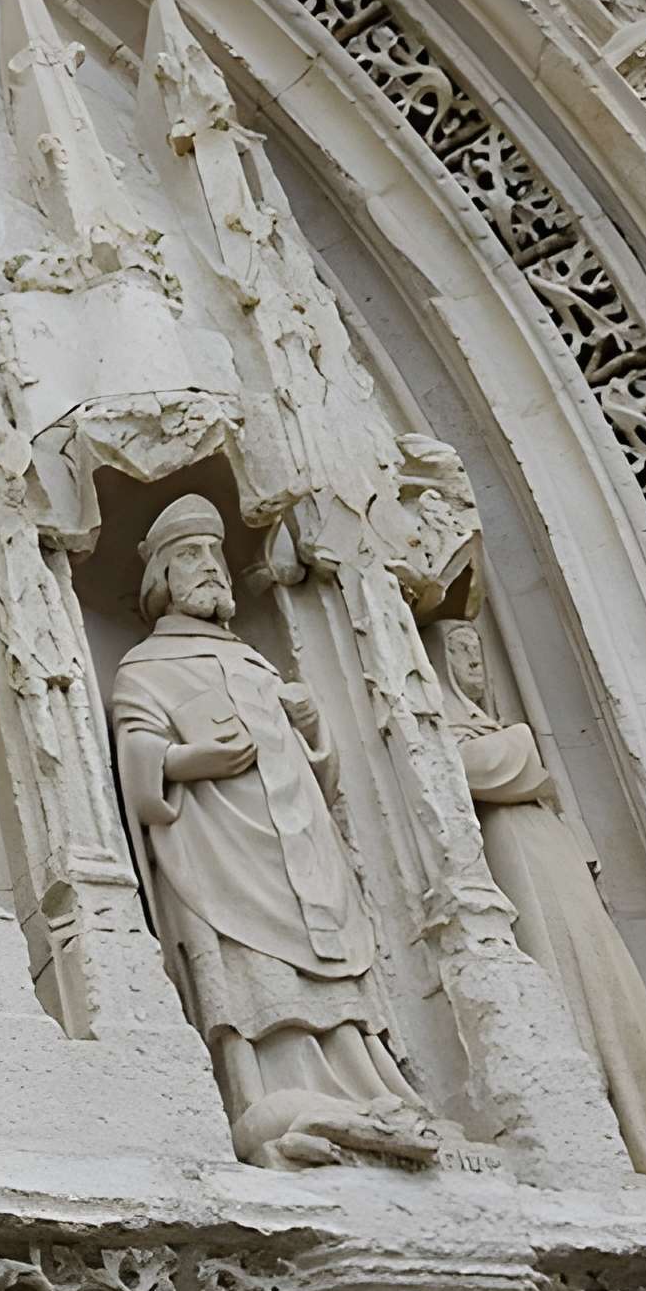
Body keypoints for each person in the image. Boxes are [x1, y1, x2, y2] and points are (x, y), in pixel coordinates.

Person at [107, 494, 437, 1167]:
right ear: (163, 577)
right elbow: (138, 756)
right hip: (220, 852)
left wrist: (310, 725)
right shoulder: (147, 666)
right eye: (191, 556)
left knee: (332, 967)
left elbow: (323, 779)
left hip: (300, 846)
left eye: (215, 554)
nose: (211, 568)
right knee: (254, 970)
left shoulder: (255, 662)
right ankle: (267, 1094)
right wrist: (190, 760)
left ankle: (363, 1083)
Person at [436, 618, 646, 1184]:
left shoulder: (486, 728)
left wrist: (514, 750)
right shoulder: (449, 726)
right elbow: (478, 768)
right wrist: (518, 745)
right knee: (565, 979)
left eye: (478, 649)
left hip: (549, 852)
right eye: (460, 651)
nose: (475, 662)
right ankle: (595, 1136)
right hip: (518, 857)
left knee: (617, 997)